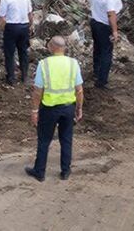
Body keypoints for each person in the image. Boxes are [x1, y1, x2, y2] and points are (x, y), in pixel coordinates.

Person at [25, 36, 84, 182]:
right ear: (64, 48)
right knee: (66, 139)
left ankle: (39, 171)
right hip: (68, 107)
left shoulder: (44, 64)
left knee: (44, 140)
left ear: (52, 47)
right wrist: (79, 108)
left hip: (49, 108)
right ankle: (65, 170)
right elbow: (79, 90)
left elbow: (38, 91)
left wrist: (34, 111)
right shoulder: (73, 64)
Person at [0, 0, 32, 85]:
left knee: (9, 53)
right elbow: (30, 13)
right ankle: (24, 76)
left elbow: (2, 17)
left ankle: (11, 78)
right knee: (23, 52)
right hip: (24, 26)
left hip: (11, 27)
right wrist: (30, 26)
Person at [88, 0, 123, 89]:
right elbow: (111, 14)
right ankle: (101, 81)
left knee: (97, 48)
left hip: (94, 22)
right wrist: (114, 31)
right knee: (106, 52)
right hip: (104, 25)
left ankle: (96, 72)